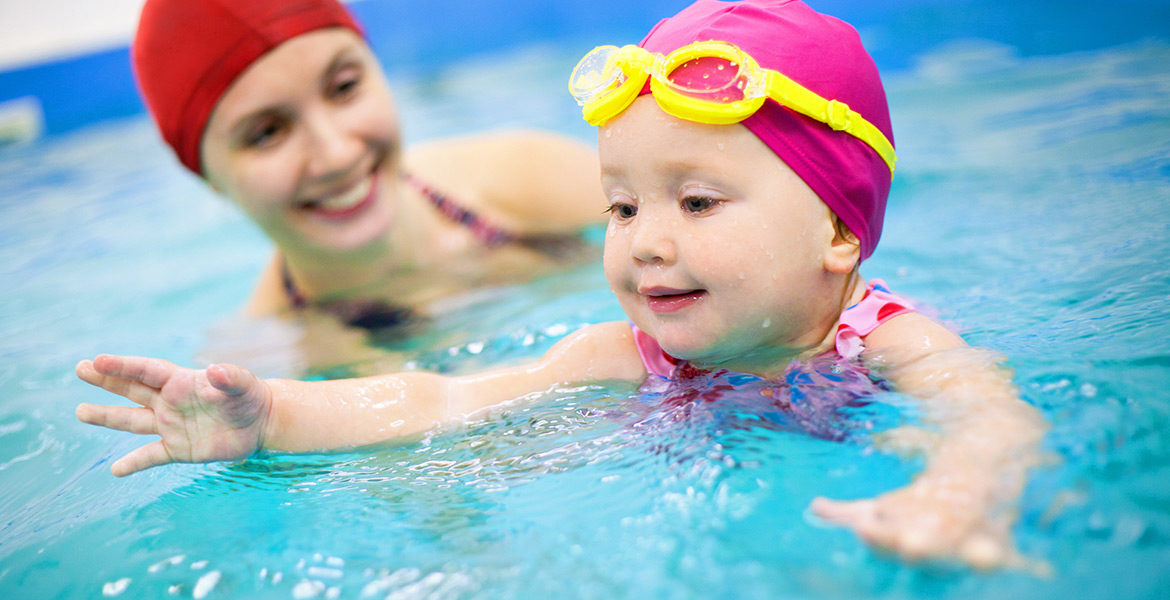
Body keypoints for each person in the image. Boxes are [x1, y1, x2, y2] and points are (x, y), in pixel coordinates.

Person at [77, 0, 1048, 570]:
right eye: (620, 209)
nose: (641, 245)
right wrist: (275, 419)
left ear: (839, 230)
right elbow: (442, 397)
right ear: (205, 171)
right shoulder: (621, 353)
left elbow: (989, 416)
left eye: (697, 203)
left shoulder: (884, 339)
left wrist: (959, 496)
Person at [131, 0, 607, 333]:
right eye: (267, 133)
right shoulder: (271, 364)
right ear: (207, 178)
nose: (336, 154)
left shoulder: (530, 177)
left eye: (344, 88)